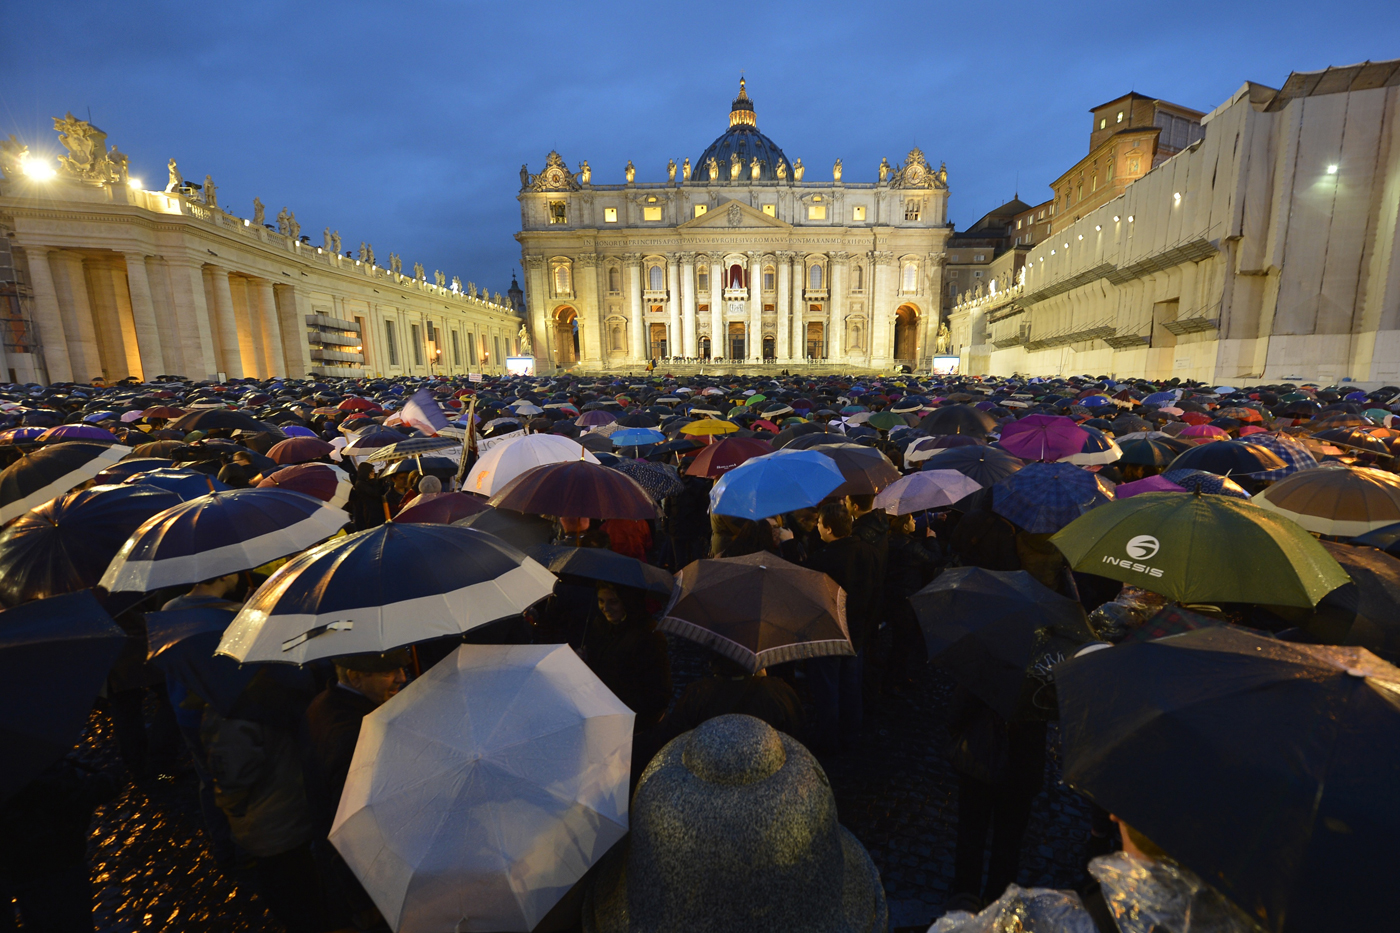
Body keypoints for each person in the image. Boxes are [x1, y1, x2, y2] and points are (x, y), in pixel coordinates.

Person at [305, 651, 410, 932]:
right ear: (355, 677)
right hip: (369, 883)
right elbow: (354, 828)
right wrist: (365, 901)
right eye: (389, 672)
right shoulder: (356, 735)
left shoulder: (324, 703)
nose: (402, 677)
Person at [944, 683, 1048, 912]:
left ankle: (965, 902)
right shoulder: (1048, 664)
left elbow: (960, 706)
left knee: (971, 834)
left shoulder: (988, 654)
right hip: (1023, 764)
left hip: (980, 757)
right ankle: (996, 904)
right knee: (1008, 844)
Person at [0, 759, 120, 933]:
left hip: (23, 869)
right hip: (61, 864)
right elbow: (77, 799)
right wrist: (106, 780)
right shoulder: (37, 763)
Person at [803, 500, 880, 755]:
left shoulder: (820, 560)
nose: (817, 527)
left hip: (828, 633)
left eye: (819, 524)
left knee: (828, 690)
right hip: (856, 631)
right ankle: (851, 735)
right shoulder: (868, 551)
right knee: (851, 686)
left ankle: (829, 741)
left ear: (828, 528)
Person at [579, 583, 671, 731]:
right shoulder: (600, 626)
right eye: (601, 601)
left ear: (627, 601)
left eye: (613, 602)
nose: (605, 608)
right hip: (601, 717)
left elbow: (657, 694)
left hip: (630, 725)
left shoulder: (648, 636)